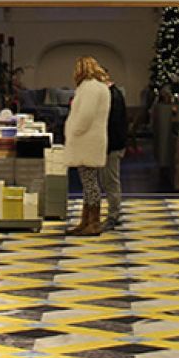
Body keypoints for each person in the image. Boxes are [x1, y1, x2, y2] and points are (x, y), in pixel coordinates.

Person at [64, 56, 112, 236]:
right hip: (93, 139)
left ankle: (92, 222)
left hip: (86, 139)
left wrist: (74, 131)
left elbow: (86, 115)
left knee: (90, 183)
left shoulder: (89, 88)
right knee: (89, 182)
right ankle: (86, 221)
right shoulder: (100, 87)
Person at [100, 79, 128, 230]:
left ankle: (113, 215)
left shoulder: (113, 96)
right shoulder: (114, 94)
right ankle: (113, 212)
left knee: (111, 180)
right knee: (109, 180)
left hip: (112, 145)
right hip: (113, 144)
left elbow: (112, 124)